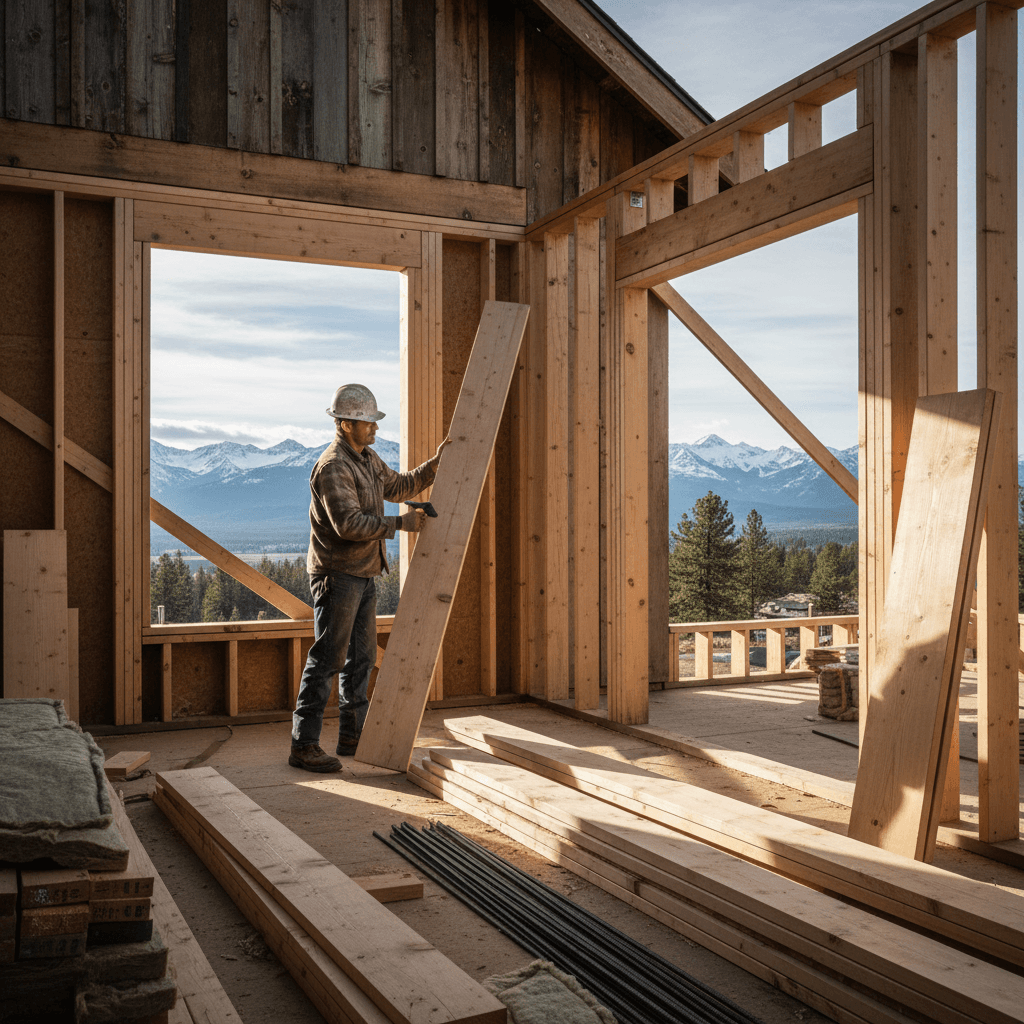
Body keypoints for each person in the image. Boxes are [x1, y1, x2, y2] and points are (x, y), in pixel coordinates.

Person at [289, 383, 449, 773]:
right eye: (366, 423)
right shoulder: (333, 467)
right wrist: (401, 524)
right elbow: (347, 524)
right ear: (345, 424)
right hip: (337, 575)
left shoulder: (367, 459)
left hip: (363, 574)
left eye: (374, 422)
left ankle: (352, 735)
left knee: (360, 660)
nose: (374, 428)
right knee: (327, 659)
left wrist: (436, 464)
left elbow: (399, 485)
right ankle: (304, 745)